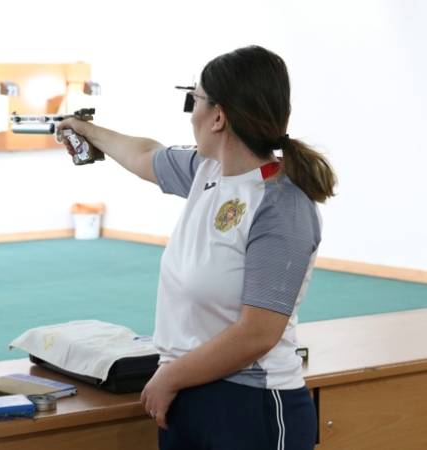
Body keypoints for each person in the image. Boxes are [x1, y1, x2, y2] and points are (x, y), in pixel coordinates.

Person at [58, 45, 336, 450]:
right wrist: (86, 131)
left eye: (195, 99)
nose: (191, 114)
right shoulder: (206, 172)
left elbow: (258, 334)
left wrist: (170, 377)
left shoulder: (282, 205)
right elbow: (145, 154)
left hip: (251, 405)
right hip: (188, 396)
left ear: (218, 116)